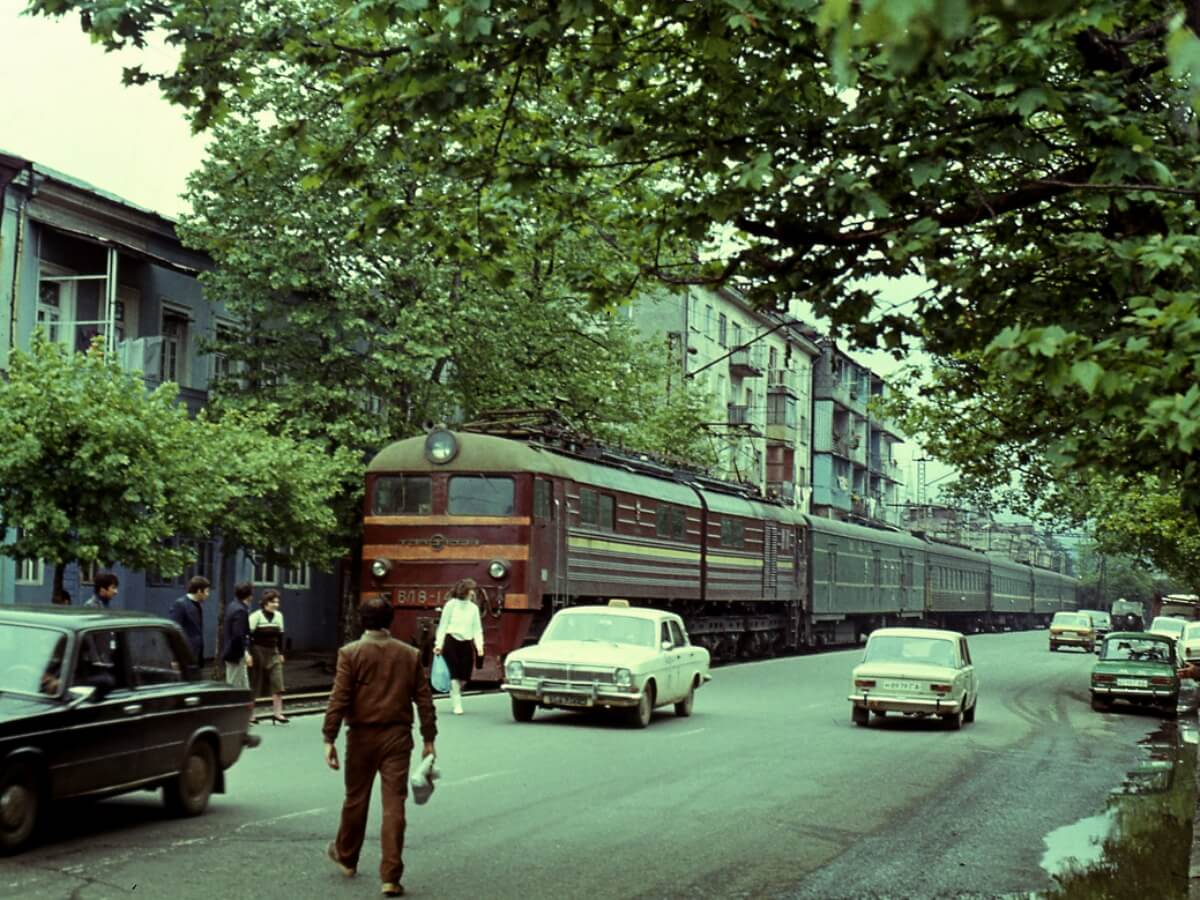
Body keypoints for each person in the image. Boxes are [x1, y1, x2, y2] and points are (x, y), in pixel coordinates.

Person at [323, 597, 437, 898]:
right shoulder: (409, 654)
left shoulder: (350, 653)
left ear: (362, 621)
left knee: (355, 799)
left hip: (361, 738)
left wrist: (329, 738)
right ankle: (390, 877)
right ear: (391, 620)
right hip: (398, 738)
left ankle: (347, 858)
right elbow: (424, 700)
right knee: (394, 804)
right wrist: (429, 739)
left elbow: (339, 697)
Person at [433, 577, 484, 715]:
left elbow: (477, 629)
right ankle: (457, 703)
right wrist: (439, 644)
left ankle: (455, 692)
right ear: (465, 591)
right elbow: (443, 626)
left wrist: (479, 646)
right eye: (471, 590)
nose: (473, 593)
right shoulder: (451, 605)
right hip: (451, 641)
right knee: (454, 674)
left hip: (466, 642)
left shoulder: (474, 608)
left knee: (464, 676)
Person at [249, 588, 288, 724]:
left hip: (273, 651)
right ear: (266, 603)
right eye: (273, 602)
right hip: (259, 651)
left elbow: (281, 636)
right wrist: (249, 654)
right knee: (255, 682)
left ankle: (277, 713)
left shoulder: (279, 616)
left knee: (277, 682)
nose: (276, 605)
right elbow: (249, 636)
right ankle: (251, 715)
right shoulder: (256, 616)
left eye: (277, 602)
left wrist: (281, 653)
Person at [169, 576, 210, 667]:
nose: (208, 594)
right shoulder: (180, 605)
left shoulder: (197, 605)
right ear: (199, 591)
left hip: (196, 655)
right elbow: (173, 631)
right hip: (184, 656)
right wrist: (174, 658)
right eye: (207, 591)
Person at [222, 582, 254, 689]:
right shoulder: (241, 611)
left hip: (230, 651)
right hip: (236, 654)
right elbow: (238, 635)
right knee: (235, 685)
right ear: (249, 596)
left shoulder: (232, 606)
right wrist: (245, 653)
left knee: (242, 685)